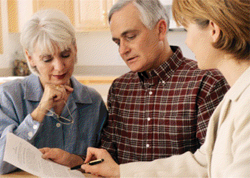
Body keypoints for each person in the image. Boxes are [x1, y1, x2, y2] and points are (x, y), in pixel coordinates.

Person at [40, 0, 230, 170]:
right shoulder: (120, 88)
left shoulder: (206, 82)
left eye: (130, 36)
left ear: (161, 29)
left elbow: (213, 165)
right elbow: (107, 159)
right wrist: (73, 160)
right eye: (117, 42)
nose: (123, 50)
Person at [79, 0, 250, 177]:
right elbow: (203, 161)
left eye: (187, 28)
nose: (187, 41)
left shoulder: (219, 88)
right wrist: (117, 171)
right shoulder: (119, 88)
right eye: (117, 42)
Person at [0, 9, 107, 174]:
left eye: (65, 55)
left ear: (75, 49)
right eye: (47, 59)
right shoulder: (8, 96)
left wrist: (76, 161)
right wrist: (39, 111)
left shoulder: (93, 102)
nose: (59, 67)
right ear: (30, 58)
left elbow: (107, 163)